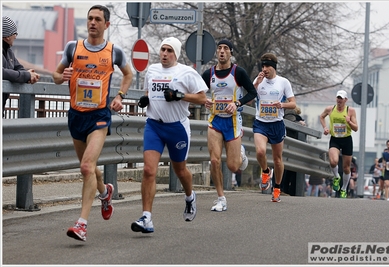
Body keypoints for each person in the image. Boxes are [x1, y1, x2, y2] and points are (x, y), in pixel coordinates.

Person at [52, 5, 133, 241]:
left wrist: (120, 96)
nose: (93, 23)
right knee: (89, 167)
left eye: (98, 19)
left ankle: (82, 224)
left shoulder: (113, 52)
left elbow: (127, 75)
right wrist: (62, 76)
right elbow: (56, 76)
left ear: (106, 25)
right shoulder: (72, 48)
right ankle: (105, 192)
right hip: (76, 115)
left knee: (86, 167)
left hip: (99, 116)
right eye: (90, 18)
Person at [130, 36, 208, 233]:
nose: (164, 54)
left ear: (176, 54)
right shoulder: (152, 70)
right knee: (148, 170)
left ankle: (190, 197)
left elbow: (202, 98)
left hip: (177, 128)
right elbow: (149, 92)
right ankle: (146, 217)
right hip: (154, 126)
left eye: (169, 50)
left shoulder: (186, 73)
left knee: (180, 170)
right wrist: (145, 100)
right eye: (163, 50)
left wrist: (179, 96)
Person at [202, 39, 257, 211]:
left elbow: (252, 93)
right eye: (219, 49)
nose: (222, 51)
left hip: (233, 122)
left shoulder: (238, 72)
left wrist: (238, 103)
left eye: (226, 49)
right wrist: (204, 100)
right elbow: (196, 93)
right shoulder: (208, 74)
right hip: (215, 121)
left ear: (231, 53)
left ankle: (241, 153)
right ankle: (221, 199)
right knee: (214, 160)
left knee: (233, 166)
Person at [252, 52, 296, 202]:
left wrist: (281, 105)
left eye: (267, 66)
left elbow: (293, 103)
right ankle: (265, 172)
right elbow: (250, 98)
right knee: (260, 151)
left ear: (274, 67)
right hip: (261, 123)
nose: (265, 69)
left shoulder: (283, 82)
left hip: (276, 124)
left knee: (277, 160)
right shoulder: (258, 81)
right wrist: (257, 83)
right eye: (263, 66)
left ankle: (277, 187)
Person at [319, 90, 358, 198]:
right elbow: (321, 116)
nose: (339, 100)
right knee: (333, 161)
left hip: (346, 140)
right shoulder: (330, 109)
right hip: (335, 139)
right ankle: (336, 177)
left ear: (345, 100)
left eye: (341, 98)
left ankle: (344, 189)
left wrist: (349, 122)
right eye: (338, 98)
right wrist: (325, 127)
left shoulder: (350, 111)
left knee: (346, 168)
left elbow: (356, 128)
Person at [2, 16, 40, 117]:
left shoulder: (9, 52)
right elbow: (3, 72)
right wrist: (27, 76)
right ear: (7, 37)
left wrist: (29, 75)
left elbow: (19, 67)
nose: (16, 36)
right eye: (15, 33)